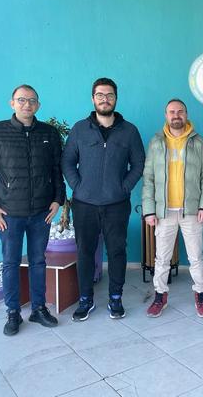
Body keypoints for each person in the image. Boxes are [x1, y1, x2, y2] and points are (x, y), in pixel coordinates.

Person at [0, 84, 65, 335]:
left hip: (41, 213)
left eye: (32, 100)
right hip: (9, 214)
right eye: (22, 100)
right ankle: (13, 312)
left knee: (38, 261)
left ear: (38, 105)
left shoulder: (49, 133)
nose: (27, 104)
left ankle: (38, 308)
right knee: (11, 263)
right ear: (12, 103)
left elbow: (56, 169)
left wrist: (58, 199)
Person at [62, 78, 145, 321]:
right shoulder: (80, 129)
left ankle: (115, 298)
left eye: (109, 95)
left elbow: (138, 163)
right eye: (100, 95)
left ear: (116, 99)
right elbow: (67, 161)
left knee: (117, 251)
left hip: (116, 204)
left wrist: (124, 187)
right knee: (85, 252)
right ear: (93, 99)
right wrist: (78, 186)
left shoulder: (129, 131)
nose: (104, 99)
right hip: (84, 204)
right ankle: (85, 300)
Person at [143, 99, 203, 318]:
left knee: (196, 257)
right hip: (164, 212)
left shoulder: (198, 142)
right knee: (161, 259)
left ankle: (201, 295)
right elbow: (149, 178)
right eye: (172, 112)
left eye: (180, 111)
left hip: (191, 211)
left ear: (186, 114)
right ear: (166, 115)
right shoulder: (156, 142)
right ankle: (160, 296)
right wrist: (149, 210)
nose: (176, 115)